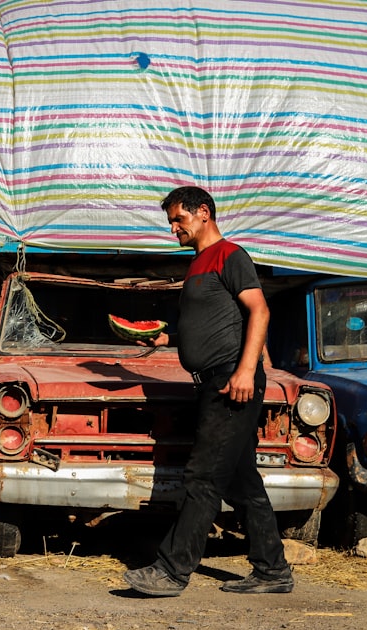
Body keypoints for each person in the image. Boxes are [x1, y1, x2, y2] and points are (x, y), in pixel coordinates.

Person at [122, 185, 293, 597]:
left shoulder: (230, 255)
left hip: (231, 382)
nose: (174, 229)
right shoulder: (199, 264)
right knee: (241, 483)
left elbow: (260, 310)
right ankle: (273, 570)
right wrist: (168, 340)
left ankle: (171, 571)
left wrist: (246, 371)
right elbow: (210, 327)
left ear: (203, 212)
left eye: (178, 220)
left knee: (201, 477)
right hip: (214, 382)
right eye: (171, 223)